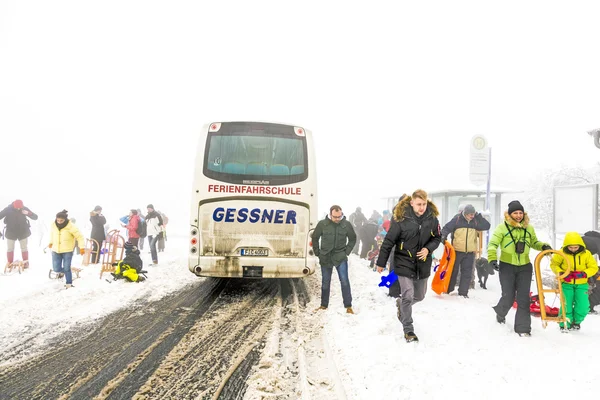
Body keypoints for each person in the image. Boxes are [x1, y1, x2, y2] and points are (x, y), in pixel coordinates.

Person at [376, 190, 442, 342]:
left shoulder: (432, 219)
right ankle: (408, 330)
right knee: (408, 295)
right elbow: (389, 241)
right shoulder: (401, 219)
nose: (422, 207)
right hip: (403, 261)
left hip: (422, 263)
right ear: (412, 203)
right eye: (419, 204)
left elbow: (437, 237)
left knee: (419, 296)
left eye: (424, 204)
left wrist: (428, 249)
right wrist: (381, 262)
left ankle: (401, 305)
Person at [487, 200, 551, 337]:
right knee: (509, 296)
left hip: (525, 267)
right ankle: (500, 312)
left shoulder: (529, 228)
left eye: (520, 213)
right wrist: (492, 258)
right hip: (507, 266)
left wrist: (543, 246)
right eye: (515, 213)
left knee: (523, 298)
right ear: (510, 214)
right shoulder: (502, 228)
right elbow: (492, 244)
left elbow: (534, 242)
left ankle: (523, 329)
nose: (518, 215)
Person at [312, 205, 357, 314]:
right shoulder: (322, 224)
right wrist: (317, 252)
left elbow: (352, 239)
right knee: (325, 282)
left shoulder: (346, 225)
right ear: (330, 214)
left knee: (345, 281)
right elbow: (315, 237)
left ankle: (348, 306)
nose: (337, 219)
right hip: (326, 257)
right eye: (335, 217)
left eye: (339, 216)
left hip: (340, 256)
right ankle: (323, 305)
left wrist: (346, 252)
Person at [550, 232, 599, 331]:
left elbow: (593, 267)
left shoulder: (586, 254)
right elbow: (554, 265)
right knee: (566, 304)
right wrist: (561, 273)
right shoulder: (561, 253)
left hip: (582, 283)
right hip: (566, 283)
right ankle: (565, 323)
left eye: (575, 247)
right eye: (570, 247)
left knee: (583, 305)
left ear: (580, 245)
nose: (573, 249)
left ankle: (576, 321)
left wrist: (584, 273)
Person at [440, 204, 491, 298]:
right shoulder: (457, 219)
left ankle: (463, 293)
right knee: (453, 271)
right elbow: (446, 228)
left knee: (467, 273)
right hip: (457, 251)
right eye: (470, 214)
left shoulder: (475, 221)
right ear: (465, 213)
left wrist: (478, 216)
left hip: (470, 252)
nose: (472, 216)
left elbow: (487, 226)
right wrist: (443, 237)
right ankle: (448, 289)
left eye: (473, 214)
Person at [48, 210, 86, 289]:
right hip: (56, 250)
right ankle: (65, 272)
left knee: (66, 267)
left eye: (61, 220)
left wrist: (81, 247)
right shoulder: (53, 225)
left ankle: (69, 283)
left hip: (67, 250)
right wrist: (51, 242)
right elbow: (52, 234)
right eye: (58, 220)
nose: (59, 222)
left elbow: (80, 237)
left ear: (65, 219)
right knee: (56, 268)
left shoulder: (71, 226)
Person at [0, 199, 38, 268]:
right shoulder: (8, 209)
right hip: (10, 231)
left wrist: (28, 213)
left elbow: (35, 217)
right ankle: (9, 263)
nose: (18, 209)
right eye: (17, 207)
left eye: (20, 207)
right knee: (10, 248)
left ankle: (26, 262)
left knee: (24, 248)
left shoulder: (24, 208)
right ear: (13, 205)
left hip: (23, 231)